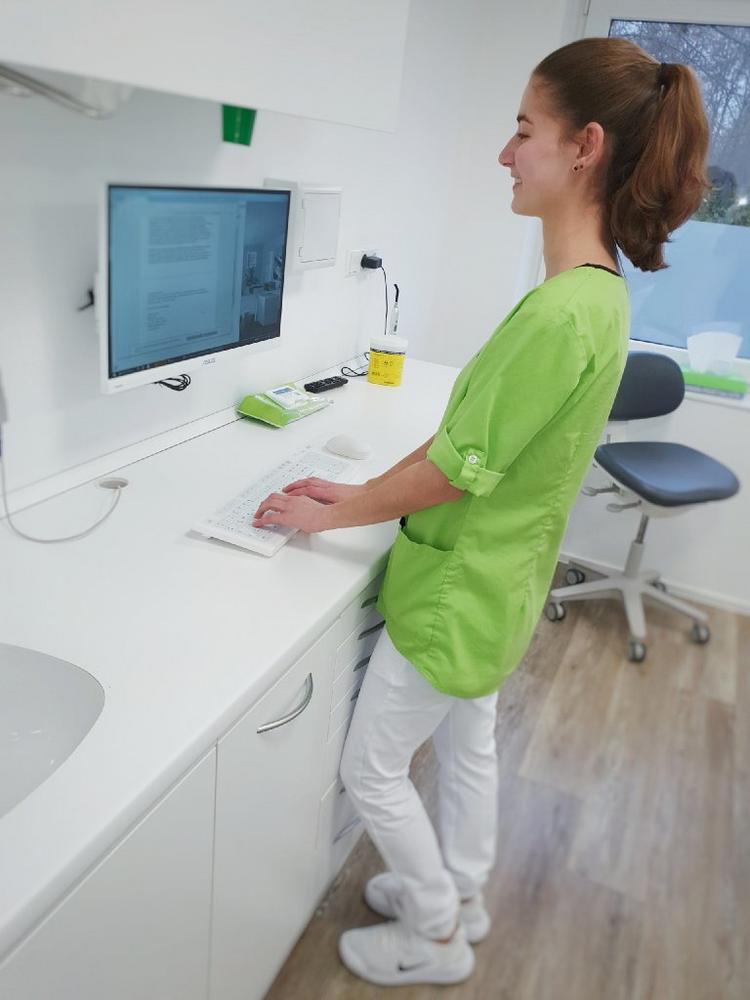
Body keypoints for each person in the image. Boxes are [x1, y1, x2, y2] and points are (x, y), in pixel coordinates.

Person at [253, 36, 710, 988]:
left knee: (372, 770)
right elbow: (466, 444)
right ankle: (461, 890)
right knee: (470, 743)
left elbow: (457, 472)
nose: (505, 153)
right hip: (502, 586)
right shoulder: (595, 296)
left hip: (458, 591)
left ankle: (434, 933)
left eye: (523, 130)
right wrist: (353, 495)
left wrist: (329, 517)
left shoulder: (557, 314)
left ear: (584, 147)